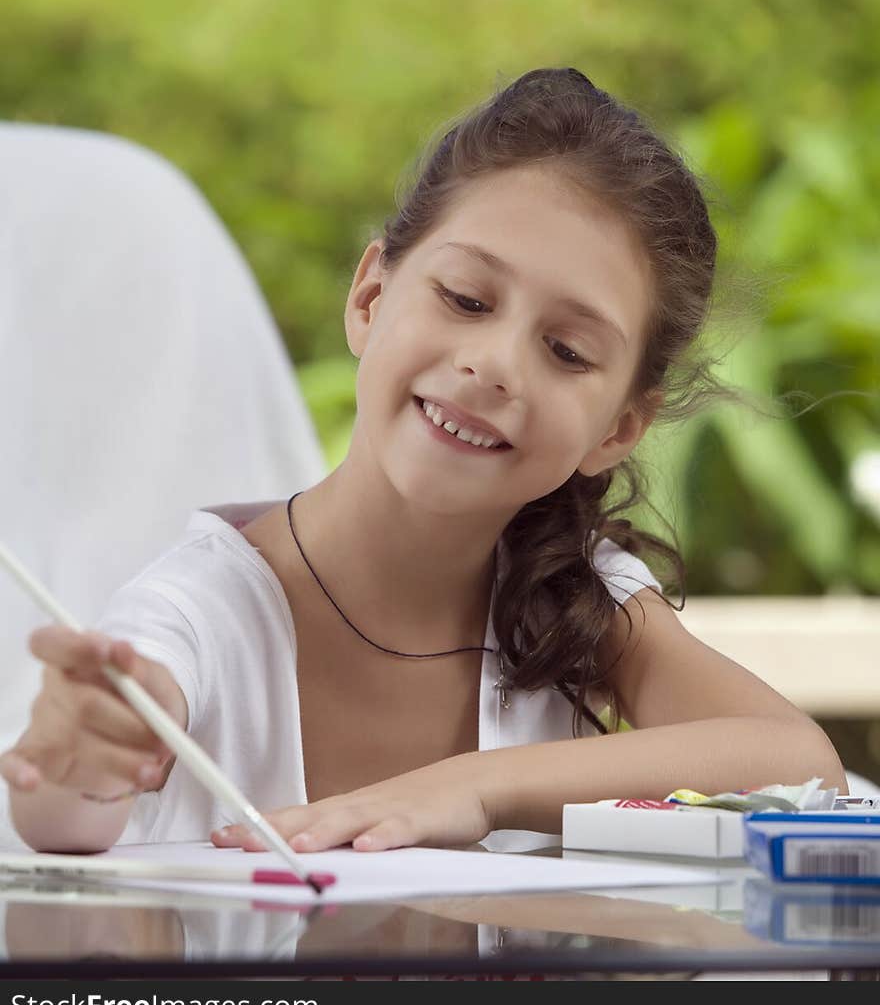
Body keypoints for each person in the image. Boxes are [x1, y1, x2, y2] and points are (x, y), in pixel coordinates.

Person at [1, 68, 845, 856]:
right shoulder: (201, 611)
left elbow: (800, 767)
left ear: (617, 430)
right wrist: (79, 762)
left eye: (566, 350)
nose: (497, 365)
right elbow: (62, 820)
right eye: (467, 300)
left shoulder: (570, 595)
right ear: (370, 298)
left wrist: (476, 790)